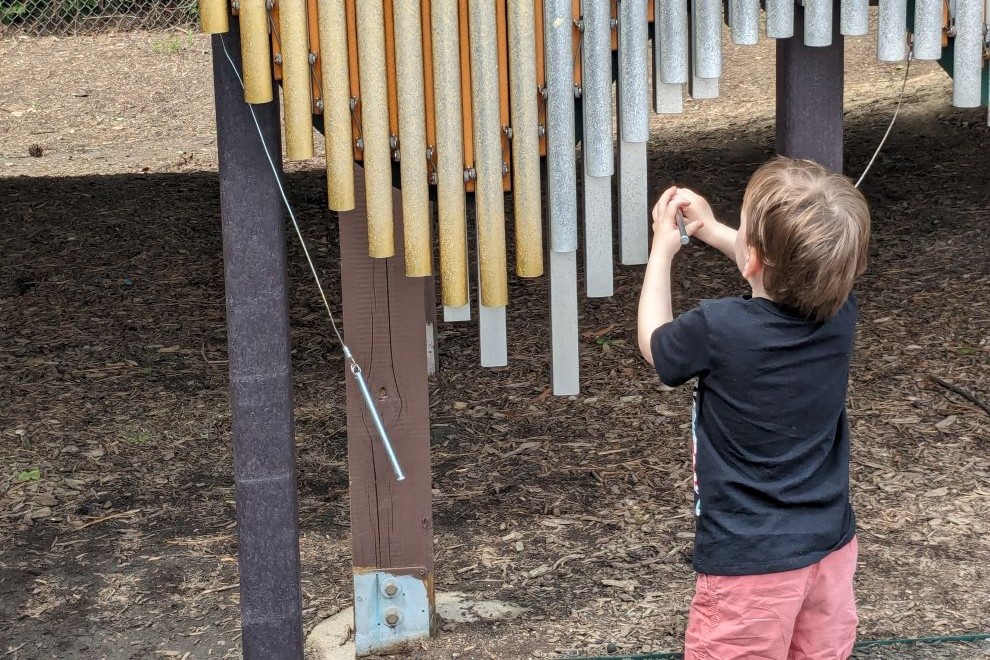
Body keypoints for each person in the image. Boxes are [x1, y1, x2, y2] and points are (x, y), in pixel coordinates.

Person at [636, 156, 871, 659]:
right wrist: (712, 229)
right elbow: (789, 269)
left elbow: (657, 346)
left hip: (751, 567)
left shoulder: (719, 328)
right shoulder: (840, 312)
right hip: (829, 551)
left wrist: (663, 249)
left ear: (753, 259)